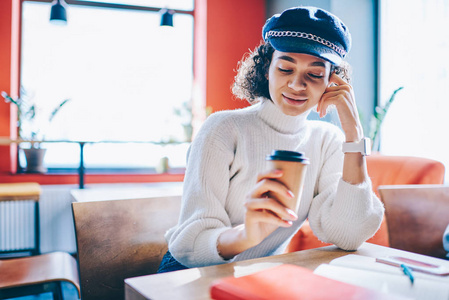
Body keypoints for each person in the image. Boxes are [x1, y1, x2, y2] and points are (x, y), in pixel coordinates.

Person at [157, 6, 384, 273]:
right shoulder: (223, 128)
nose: (297, 85)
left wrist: (354, 135)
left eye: (314, 74)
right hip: (189, 274)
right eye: (286, 68)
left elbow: (348, 235)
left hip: (257, 276)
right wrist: (246, 236)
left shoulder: (328, 141)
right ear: (267, 69)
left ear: (332, 82)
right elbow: (190, 243)